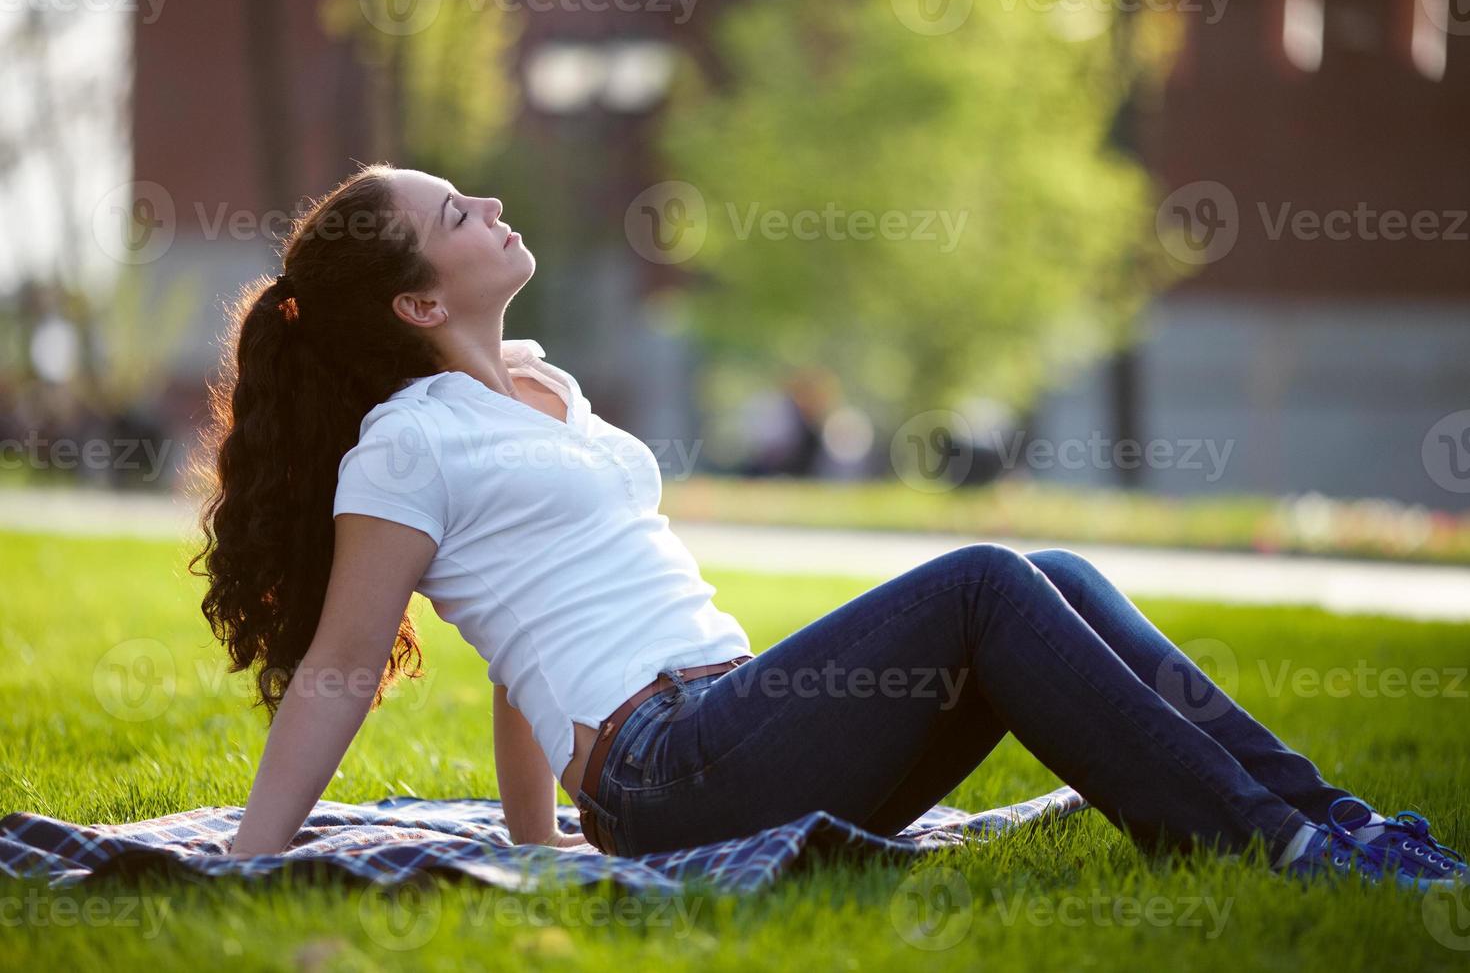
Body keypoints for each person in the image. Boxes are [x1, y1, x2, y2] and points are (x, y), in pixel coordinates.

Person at [191, 165, 1465, 888]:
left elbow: (525, 639)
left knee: (1053, 572)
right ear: (416, 302)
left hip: (731, 731)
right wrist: (252, 858)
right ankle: (1284, 850)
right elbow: (344, 666)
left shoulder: (541, 386)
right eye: (455, 213)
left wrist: (541, 848)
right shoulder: (404, 445)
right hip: (675, 766)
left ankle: (1332, 819)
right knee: (981, 580)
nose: (487, 204)